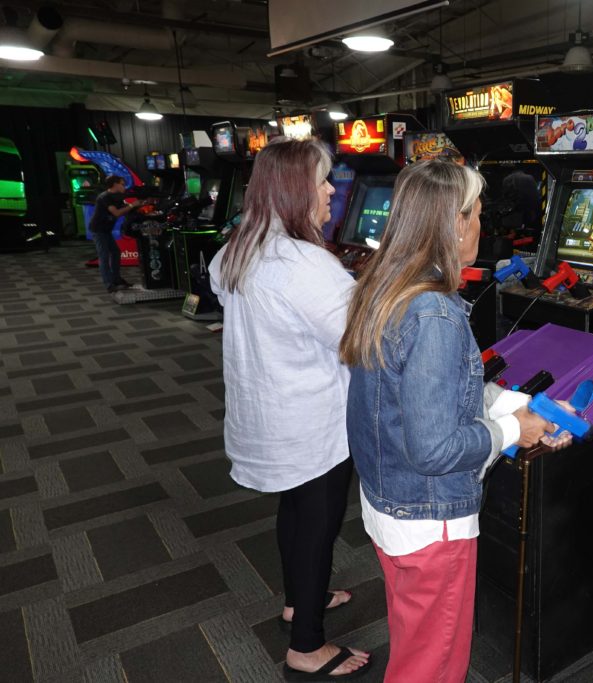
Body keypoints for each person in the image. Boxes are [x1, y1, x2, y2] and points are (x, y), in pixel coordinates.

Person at [340, 160, 568, 682]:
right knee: (433, 666)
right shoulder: (435, 315)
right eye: (477, 214)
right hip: (430, 518)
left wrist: (514, 405)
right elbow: (435, 448)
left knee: (414, 647)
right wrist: (516, 430)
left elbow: (427, 396)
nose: (483, 226)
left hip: (392, 503)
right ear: (454, 222)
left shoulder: (386, 287)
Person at [208, 138, 370, 680]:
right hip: (311, 423)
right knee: (318, 525)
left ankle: (300, 602)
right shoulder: (303, 263)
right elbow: (357, 341)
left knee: (296, 512)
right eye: (323, 181)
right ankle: (307, 648)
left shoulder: (239, 247)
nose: (331, 192)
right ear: (295, 190)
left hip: (270, 416)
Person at [90, 175, 137, 293]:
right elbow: (116, 213)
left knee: (115, 252)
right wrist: (133, 205)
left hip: (106, 230)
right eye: (122, 184)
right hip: (98, 230)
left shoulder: (116, 197)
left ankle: (116, 279)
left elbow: (125, 209)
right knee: (104, 256)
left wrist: (141, 203)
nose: (124, 187)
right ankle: (109, 284)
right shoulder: (104, 197)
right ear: (115, 184)